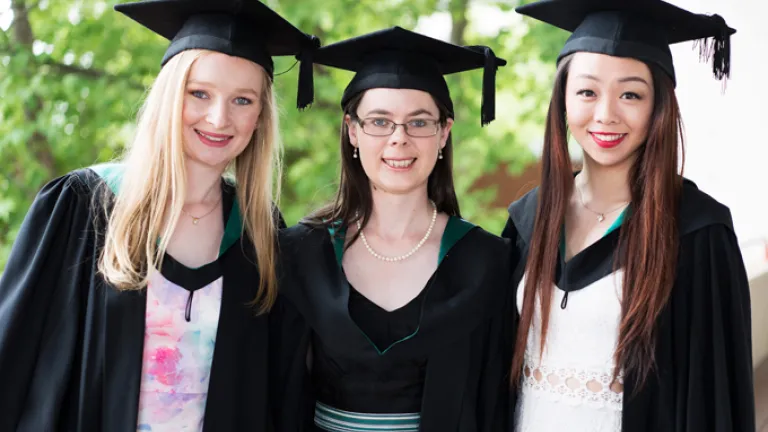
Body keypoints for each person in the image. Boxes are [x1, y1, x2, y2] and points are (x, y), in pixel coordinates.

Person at [0, 0, 319, 430]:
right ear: (170, 96)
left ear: (260, 116)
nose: (218, 117)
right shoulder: (84, 205)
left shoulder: (259, 233)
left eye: (242, 100)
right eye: (199, 93)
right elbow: (14, 358)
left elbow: (280, 393)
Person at [504, 0, 754, 431]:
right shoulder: (530, 218)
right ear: (562, 98)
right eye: (587, 91)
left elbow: (714, 397)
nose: (606, 114)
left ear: (659, 105)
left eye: (630, 94)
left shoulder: (696, 231)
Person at [271, 26, 513, 431]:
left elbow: (495, 402)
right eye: (379, 121)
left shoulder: (486, 260)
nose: (399, 139)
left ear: (444, 133)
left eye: (419, 122)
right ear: (352, 130)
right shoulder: (302, 254)